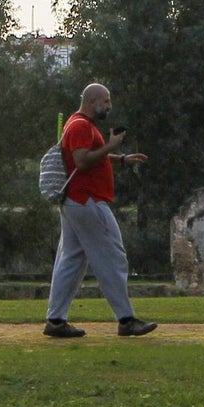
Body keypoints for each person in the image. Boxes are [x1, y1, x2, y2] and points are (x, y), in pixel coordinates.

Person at [43, 83, 157, 338]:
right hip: (87, 201)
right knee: (113, 257)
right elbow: (82, 162)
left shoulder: (77, 124)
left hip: (76, 202)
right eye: (106, 101)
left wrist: (122, 159)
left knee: (70, 260)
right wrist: (112, 145)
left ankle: (55, 320)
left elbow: (84, 157)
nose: (109, 106)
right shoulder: (81, 126)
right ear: (92, 101)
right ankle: (127, 320)